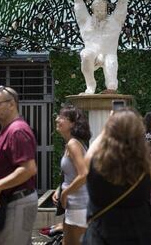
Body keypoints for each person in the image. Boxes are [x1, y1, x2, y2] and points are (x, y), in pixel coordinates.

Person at [83, 108, 151, 244]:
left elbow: (88, 156)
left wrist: (107, 128)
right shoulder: (148, 167)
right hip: (139, 236)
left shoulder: (95, 164)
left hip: (102, 237)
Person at [0, 86, 38, 244]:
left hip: (17, 202)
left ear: (11, 104)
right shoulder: (8, 129)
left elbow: (28, 169)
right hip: (13, 201)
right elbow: (12, 165)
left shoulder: (17, 131)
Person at [73, 0, 130, 94]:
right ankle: (90, 85)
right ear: (92, 10)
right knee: (85, 54)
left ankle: (111, 90)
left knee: (112, 81)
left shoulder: (115, 21)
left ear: (106, 9)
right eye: (97, 9)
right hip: (92, 53)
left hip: (109, 53)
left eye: (102, 9)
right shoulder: (85, 21)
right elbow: (78, 3)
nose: (100, 11)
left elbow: (122, 5)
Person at [53, 105, 91, 245]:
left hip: (78, 205)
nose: (57, 119)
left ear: (73, 124)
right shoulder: (73, 143)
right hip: (75, 205)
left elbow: (84, 174)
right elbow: (72, 174)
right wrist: (60, 189)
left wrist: (65, 193)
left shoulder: (73, 144)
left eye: (62, 117)